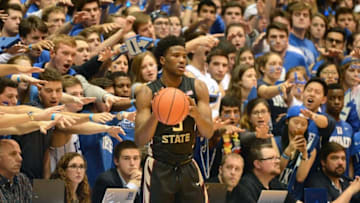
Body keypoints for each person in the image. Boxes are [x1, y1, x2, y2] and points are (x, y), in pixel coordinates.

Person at [135, 36, 213, 203]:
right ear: (162, 60)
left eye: (184, 56)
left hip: (187, 163)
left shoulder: (198, 87)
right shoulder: (147, 92)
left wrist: (196, 115)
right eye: (176, 56)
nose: (181, 60)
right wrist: (156, 113)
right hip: (159, 166)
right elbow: (140, 139)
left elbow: (208, 132)